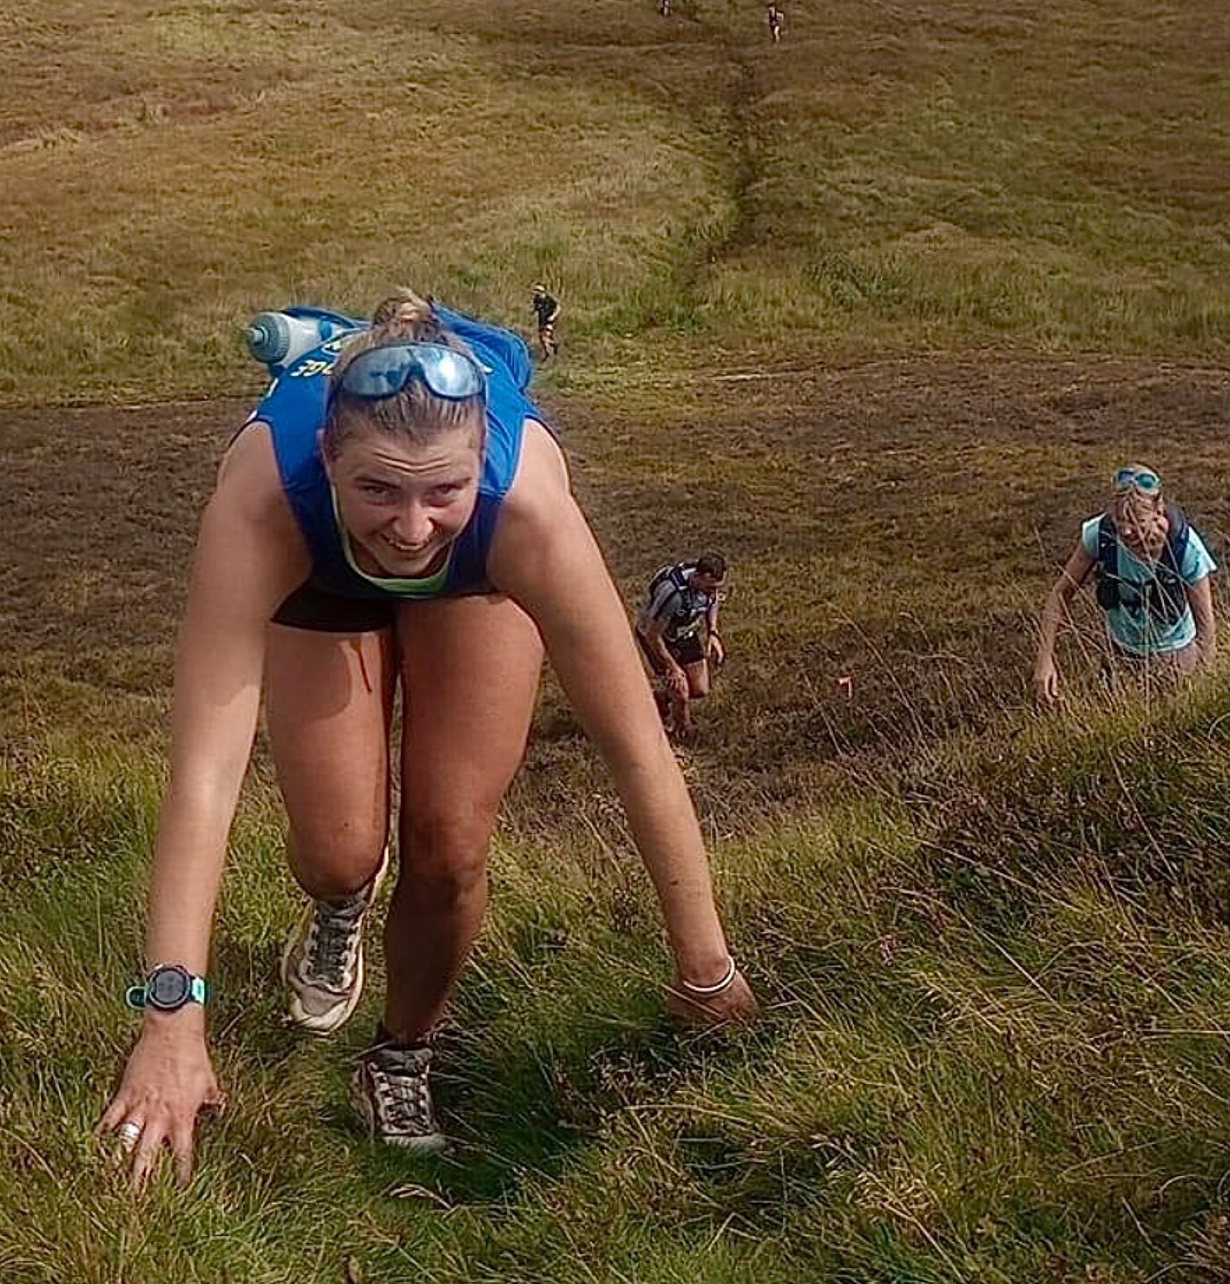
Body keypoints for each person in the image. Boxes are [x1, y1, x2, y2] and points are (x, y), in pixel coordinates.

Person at [102, 294, 755, 1181]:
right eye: (378, 487)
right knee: (338, 850)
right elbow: (204, 781)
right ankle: (341, 902)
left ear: (480, 459)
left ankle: (400, 1053)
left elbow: (636, 745)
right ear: (330, 455)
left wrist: (707, 967)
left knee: (449, 845)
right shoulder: (263, 506)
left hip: (477, 577)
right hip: (320, 569)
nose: (411, 527)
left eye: (441, 488)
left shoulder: (524, 510)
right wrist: (170, 1024)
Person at [1033, 465, 1217, 704]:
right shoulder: (1100, 535)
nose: (1128, 531)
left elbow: (1206, 628)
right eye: (1120, 520)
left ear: (1158, 511)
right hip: (1118, 656)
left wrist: (1203, 687)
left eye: (1138, 521)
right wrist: (1044, 661)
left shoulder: (1185, 548)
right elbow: (1061, 593)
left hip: (1177, 659)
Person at [636, 556, 727, 742]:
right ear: (699, 577)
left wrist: (713, 632)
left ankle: (660, 699)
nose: (714, 592)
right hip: (658, 637)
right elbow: (653, 635)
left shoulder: (709, 588)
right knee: (681, 693)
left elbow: (712, 601)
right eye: (711, 587)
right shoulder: (674, 595)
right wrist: (673, 667)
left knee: (700, 689)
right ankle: (681, 735)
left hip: (685, 633)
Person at [530, 284, 562, 360]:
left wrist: (553, 316)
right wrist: (533, 311)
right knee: (541, 339)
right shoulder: (536, 299)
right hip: (541, 321)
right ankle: (553, 345)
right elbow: (536, 307)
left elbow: (558, 308)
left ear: (541, 292)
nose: (534, 292)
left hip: (549, 321)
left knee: (545, 337)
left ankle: (548, 355)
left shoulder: (549, 300)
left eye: (536, 290)